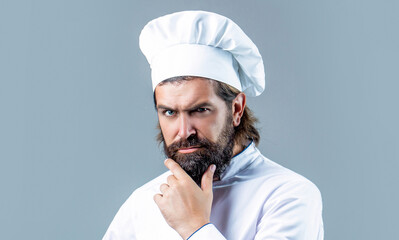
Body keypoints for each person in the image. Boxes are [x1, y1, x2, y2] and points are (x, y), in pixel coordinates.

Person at [103, 10, 324, 240]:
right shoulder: (143, 203)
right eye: (169, 112)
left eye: (200, 110)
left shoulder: (288, 195)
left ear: (236, 109)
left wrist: (195, 228)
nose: (184, 131)